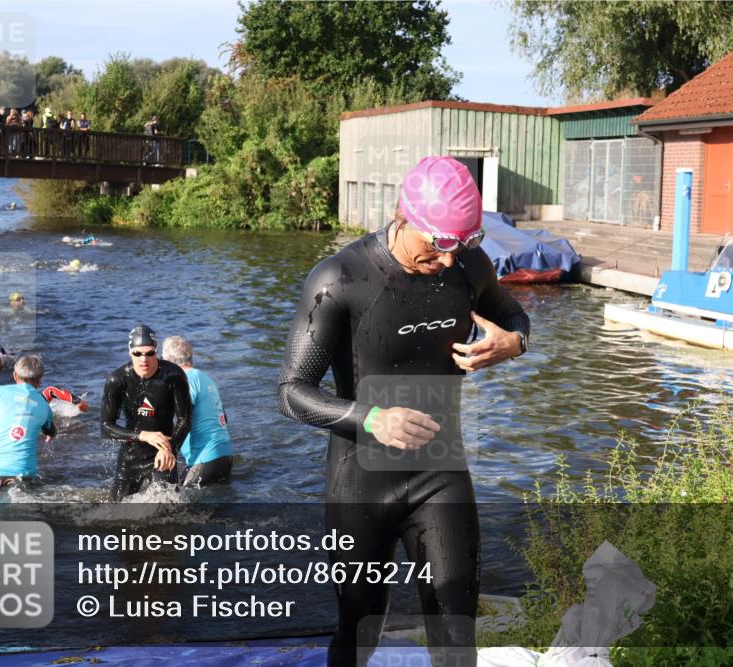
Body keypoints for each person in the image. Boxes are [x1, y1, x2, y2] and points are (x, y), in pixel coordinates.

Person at [278, 156, 530, 667]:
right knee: (360, 626)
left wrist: (515, 343)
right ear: (402, 214)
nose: (445, 260)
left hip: (441, 472)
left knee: (457, 634)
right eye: (436, 244)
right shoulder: (340, 278)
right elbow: (291, 391)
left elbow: (510, 313)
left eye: (459, 246)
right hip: (360, 478)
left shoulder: (467, 265)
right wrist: (373, 418)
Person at [100, 325, 191, 501]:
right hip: (132, 454)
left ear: (156, 351)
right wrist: (142, 435)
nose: (144, 359)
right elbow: (106, 427)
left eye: (150, 353)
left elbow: (185, 418)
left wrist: (169, 449)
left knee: (170, 512)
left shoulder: (173, 375)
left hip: (164, 453)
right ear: (129, 352)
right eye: (137, 354)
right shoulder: (117, 380)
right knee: (114, 512)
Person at [0, 355, 56, 488]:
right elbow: (50, 430)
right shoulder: (45, 406)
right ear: (39, 381)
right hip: (23, 474)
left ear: (15, 375)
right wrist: (50, 433)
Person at [161, 336, 232, 486]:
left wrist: (169, 451)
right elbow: (224, 418)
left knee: (180, 505)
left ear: (169, 361)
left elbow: (184, 419)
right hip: (225, 455)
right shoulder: (205, 378)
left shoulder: (185, 379)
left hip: (205, 459)